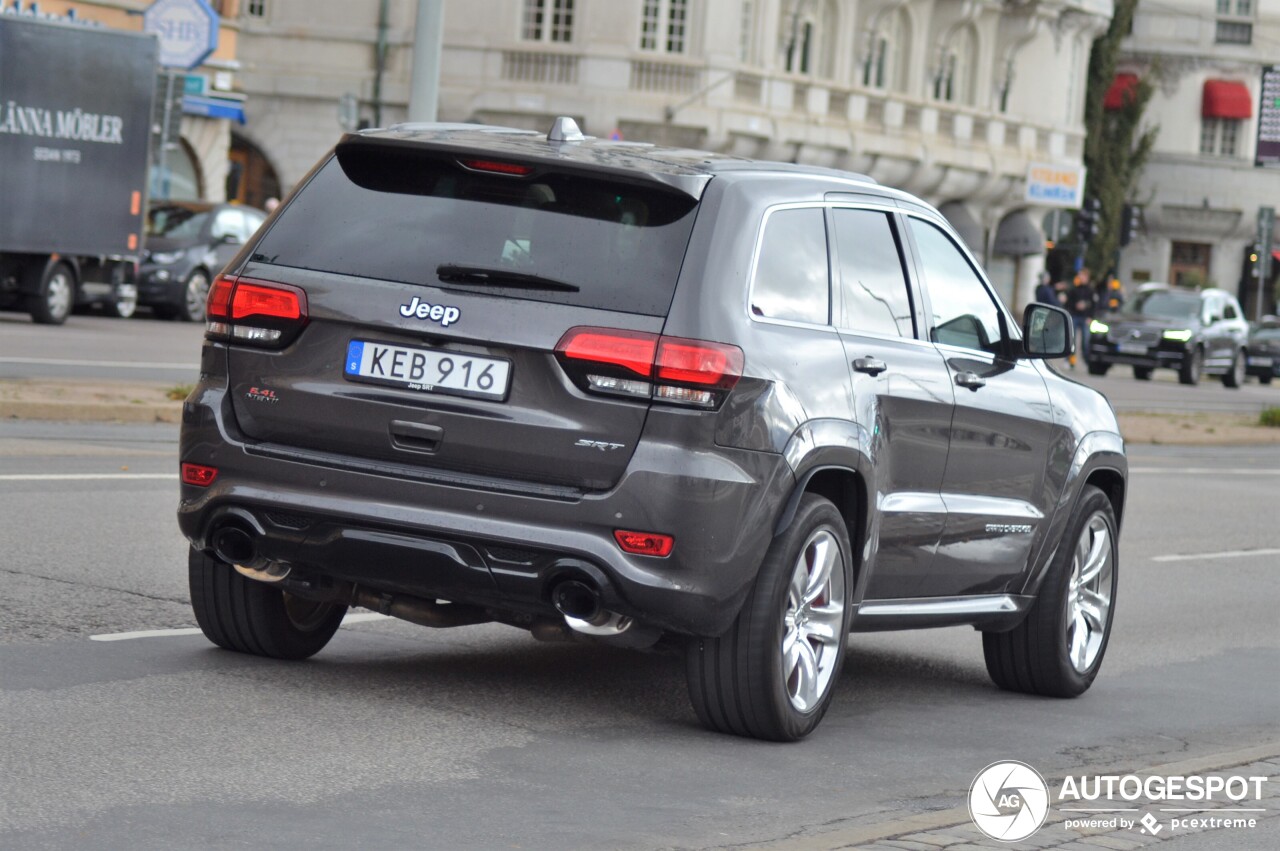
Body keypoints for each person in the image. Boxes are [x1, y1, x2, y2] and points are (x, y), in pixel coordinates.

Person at [1066, 268, 1095, 366]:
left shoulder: (1091, 290)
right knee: (1071, 340)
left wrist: (1090, 316)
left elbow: (1094, 305)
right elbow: (1069, 303)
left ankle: (1087, 360)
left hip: (1085, 318)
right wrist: (1076, 306)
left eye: (1082, 276)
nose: (1081, 278)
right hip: (1075, 316)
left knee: (1085, 341)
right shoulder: (1074, 289)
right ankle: (1071, 361)